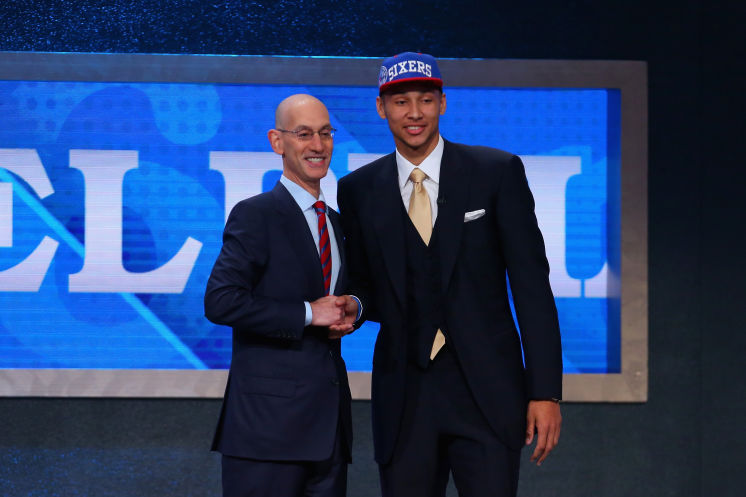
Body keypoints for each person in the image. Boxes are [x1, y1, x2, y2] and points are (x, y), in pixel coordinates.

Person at [337, 52, 563, 497]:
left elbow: (532, 287)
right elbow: (365, 288)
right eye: (401, 102)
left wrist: (545, 393)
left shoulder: (496, 172)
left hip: (488, 393)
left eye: (425, 99)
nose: (414, 113)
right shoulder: (358, 189)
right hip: (404, 396)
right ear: (382, 109)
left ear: (443, 103)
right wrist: (353, 306)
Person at [204, 94, 357, 497]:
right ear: (277, 142)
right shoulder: (255, 215)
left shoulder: (338, 223)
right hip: (267, 433)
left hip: (328, 433)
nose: (318, 145)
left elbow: (351, 292)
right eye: (304, 134)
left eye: (325, 133)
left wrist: (353, 307)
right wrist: (309, 313)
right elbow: (221, 301)